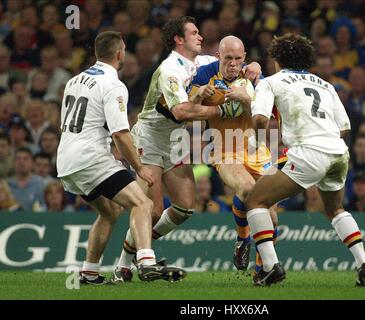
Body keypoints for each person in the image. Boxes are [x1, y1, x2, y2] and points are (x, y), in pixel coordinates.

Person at [111, 16, 261, 282]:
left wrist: (254, 67)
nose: (200, 37)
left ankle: (140, 247)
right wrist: (220, 109)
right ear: (179, 40)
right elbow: (180, 111)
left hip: (175, 142)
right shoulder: (170, 70)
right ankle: (126, 265)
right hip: (150, 140)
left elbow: (233, 61)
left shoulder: (201, 62)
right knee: (151, 208)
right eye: (194, 33)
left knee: (184, 207)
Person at [56, 31, 185, 285]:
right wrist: (140, 167)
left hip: (66, 160)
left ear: (96, 53)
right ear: (119, 53)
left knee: (109, 211)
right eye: (124, 49)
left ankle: (89, 273)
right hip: (91, 158)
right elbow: (121, 134)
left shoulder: (74, 80)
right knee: (142, 204)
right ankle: (146, 262)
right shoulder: (113, 84)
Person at [245, 33, 365, 287]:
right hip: (338, 151)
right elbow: (344, 127)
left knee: (256, 200)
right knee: (335, 209)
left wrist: (258, 142)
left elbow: (260, 119)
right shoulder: (325, 84)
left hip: (309, 153)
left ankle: (271, 267)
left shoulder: (271, 82)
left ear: (276, 60)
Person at [189, 35, 278, 273]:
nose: (233, 64)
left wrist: (247, 100)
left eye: (238, 59)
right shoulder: (205, 74)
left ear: (245, 58)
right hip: (224, 148)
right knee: (249, 191)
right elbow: (186, 107)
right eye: (228, 58)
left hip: (257, 150)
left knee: (272, 217)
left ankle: (262, 273)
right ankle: (243, 238)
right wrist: (201, 96)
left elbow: (267, 118)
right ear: (218, 56)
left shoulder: (255, 77)